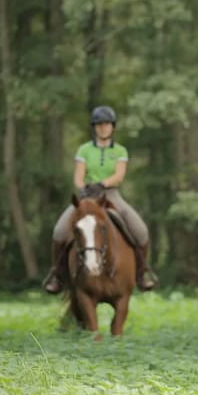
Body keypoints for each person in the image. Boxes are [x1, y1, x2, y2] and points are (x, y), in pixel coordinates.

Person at [42, 105, 158, 293]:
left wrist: (103, 184)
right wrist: (83, 188)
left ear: (113, 127)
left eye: (106, 124)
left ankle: (141, 273)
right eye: (99, 124)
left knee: (141, 230)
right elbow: (78, 177)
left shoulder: (120, 151)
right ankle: (58, 275)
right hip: (86, 196)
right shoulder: (84, 150)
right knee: (59, 231)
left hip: (111, 194)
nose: (103, 128)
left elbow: (119, 175)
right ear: (94, 127)